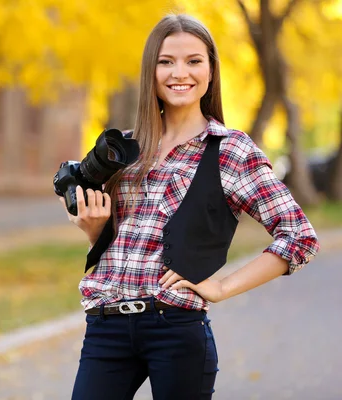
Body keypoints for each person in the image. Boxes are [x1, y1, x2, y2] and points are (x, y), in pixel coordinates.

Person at [58, 13, 320, 400]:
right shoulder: (122, 148)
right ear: (151, 71)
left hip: (175, 329)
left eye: (193, 61)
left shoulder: (231, 150)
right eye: (166, 61)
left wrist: (223, 286)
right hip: (106, 325)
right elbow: (118, 240)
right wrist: (94, 230)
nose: (179, 72)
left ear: (211, 71)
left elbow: (299, 237)